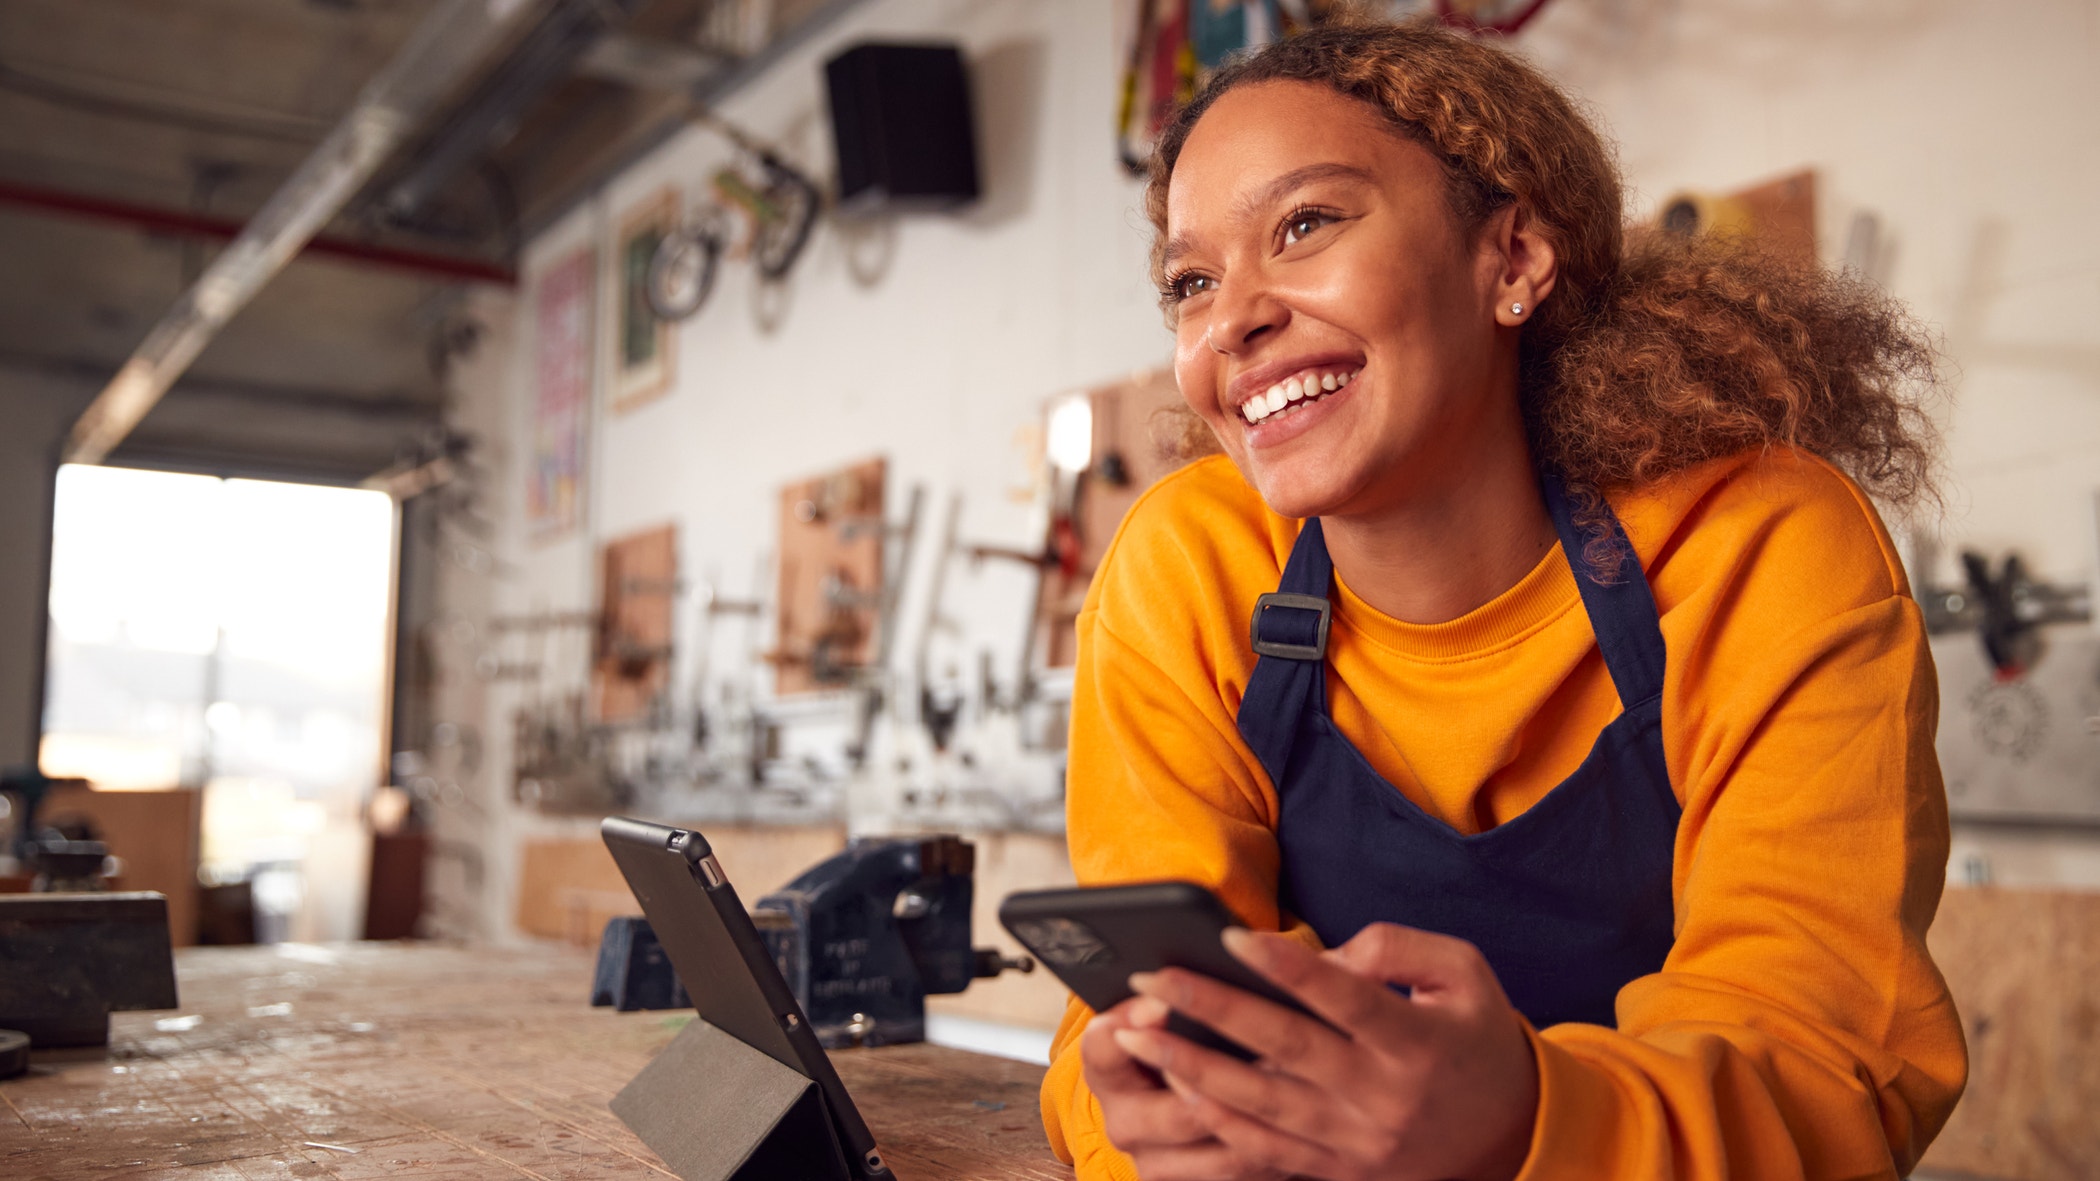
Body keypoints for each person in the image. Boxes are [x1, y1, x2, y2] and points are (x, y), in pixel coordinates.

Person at [1040, 15, 1966, 1181]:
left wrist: (1524, 1122)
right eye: (1190, 281)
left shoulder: (1759, 544)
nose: (1232, 317)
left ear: (1514, 258)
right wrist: (1149, 1123)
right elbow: (1110, 1032)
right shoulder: (1187, 566)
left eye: (1306, 223)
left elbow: (1829, 1060)